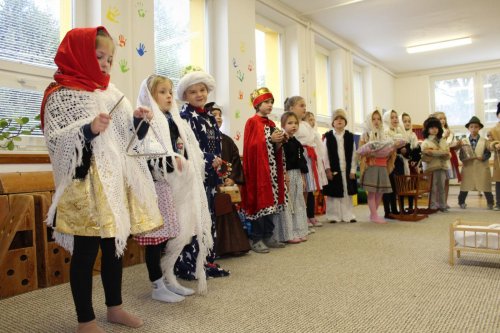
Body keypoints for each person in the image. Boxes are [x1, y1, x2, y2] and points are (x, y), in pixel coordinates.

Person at [41, 27, 163, 332]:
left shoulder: (112, 93)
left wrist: (140, 121)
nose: (106, 63)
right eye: (99, 56)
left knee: (114, 249)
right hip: (84, 186)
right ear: (79, 54)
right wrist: (88, 129)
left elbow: (127, 139)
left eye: (110, 58)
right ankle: (85, 319)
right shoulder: (61, 94)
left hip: (113, 181)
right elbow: (57, 141)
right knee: (85, 253)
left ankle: (115, 307)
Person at [135, 74, 213, 302]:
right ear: (150, 95)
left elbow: (183, 148)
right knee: (155, 239)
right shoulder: (146, 119)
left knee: (173, 234)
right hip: (155, 188)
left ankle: (168, 277)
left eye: (170, 91)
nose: (169, 95)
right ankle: (157, 285)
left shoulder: (173, 120)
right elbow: (146, 153)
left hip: (173, 188)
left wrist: (186, 161)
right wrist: (172, 161)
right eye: (162, 92)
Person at [177, 70, 230, 278]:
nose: (199, 94)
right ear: (186, 95)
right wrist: (209, 159)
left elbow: (216, 145)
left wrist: (218, 167)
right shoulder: (185, 117)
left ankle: (206, 260)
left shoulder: (208, 117)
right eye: (193, 92)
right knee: (194, 220)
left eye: (202, 90)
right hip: (193, 177)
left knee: (208, 218)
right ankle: (189, 264)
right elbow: (188, 148)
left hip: (208, 177)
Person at [241, 87, 287, 253]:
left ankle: (268, 235)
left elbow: (273, 150)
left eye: (271, 102)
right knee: (260, 202)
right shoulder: (251, 122)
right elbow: (251, 147)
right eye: (266, 102)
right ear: (257, 104)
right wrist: (268, 138)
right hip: (258, 171)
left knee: (271, 204)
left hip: (271, 172)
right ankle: (256, 237)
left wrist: (279, 141)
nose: (270, 105)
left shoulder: (271, 123)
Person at [207, 103, 251, 256]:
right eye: (214, 114)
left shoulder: (227, 140)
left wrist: (232, 178)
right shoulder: (202, 139)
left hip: (226, 186)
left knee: (228, 212)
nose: (218, 117)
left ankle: (232, 247)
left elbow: (235, 161)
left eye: (220, 115)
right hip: (209, 186)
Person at [287, 97, 328, 228]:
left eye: (305, 105)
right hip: (300, 157)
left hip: (310, 158)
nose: (304, 108)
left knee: (308, 189)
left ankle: (307, 216)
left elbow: (314, 140)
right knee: (300, 190)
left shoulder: (305, 124)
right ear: (291, 108)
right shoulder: (291, 124)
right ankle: (300, 218)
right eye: (301, 105)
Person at [275, 111, 309, 243]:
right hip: (286, 175)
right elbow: (280, 160)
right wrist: (284, 175)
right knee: (288, 204)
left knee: (298, 202)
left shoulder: (297, 142)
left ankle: (299, 230)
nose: (293, 125)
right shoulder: (282, 141)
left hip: (296, 175)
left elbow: (301, 163)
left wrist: (303, 178)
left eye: (295, 123)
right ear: (283, 125)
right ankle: (288, 233)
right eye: (290, 123)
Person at [357, 110, 395, 224]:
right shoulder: (365, 134)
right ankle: (374, 215)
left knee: (381, 191)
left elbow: (390, 151)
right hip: (371, 165)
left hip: (383, 165)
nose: (376, 121)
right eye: (374, 119)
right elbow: (361, 151)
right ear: (369, 120)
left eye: (378, 119)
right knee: (372, 191)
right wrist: (370, 152)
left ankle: (373, 214)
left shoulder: (385, 134)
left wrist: (389, 150)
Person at [322, 109, 358, 223]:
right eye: (336, 118)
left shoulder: (349, 136)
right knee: (334, 194)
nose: (339, 120)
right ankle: (333, 215)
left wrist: (353, 170)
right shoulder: (328, 137)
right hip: (334, 170)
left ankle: (348, 215)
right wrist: (327, 170)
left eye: (342, 118)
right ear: (333, 122)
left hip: (346, 170)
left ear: (345, 122)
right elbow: (325, 155)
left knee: (347, 194)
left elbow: (354, 154)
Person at [458, 116, 494, 210]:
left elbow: (488, 152)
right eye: (471, 127)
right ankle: (461, 202)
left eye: (476, 127)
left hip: (481, 166)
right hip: (468, 167)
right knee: (465, 185)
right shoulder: (464, 141)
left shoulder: (484, 141)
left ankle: (490, 203)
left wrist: (483, 157)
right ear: (468, 128)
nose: (473, 129)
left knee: (485, 185)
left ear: (479, 128)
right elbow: (461, 154)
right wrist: (464, 159)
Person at [430, 111, 461, 205]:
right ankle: (435, 202)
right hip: (438, 159)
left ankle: (444, 202)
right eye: (440, 119)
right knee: (438, 181)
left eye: (444, 118)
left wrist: (457, 145)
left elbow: (451, 146)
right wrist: (444, 137)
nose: (443, 120)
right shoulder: (433, 131)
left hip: (448, 158)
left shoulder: (449, 131)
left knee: (446, 180)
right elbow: (435, 144)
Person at [421, 117, 451, 212]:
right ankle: (432, 205)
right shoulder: (425, 142)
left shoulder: (442, 140)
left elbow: (447, 154)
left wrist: (437, 152)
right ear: (427, 129)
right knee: (432, 187)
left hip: (442, 166)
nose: (434, 130)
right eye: (432, 128)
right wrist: (440, 152)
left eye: (436, 127)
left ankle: (442, 205)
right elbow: (426, 153)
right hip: (431, 168)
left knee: (442, 187)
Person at [382, 110, 406, 218]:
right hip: (389, 161)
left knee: (397, 186)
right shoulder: (385, 131)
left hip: (399, 161)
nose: (395, 119)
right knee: (389, 186)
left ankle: (396, 209)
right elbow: (384, 147)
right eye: (392, 117)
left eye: (396, 117)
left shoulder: (400, 131)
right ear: (387, 119)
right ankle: (387, 211)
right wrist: (394, 146)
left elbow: (406, 145)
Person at [400, 112, 422, 212]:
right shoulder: (400, 134)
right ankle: (402, 207)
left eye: (409, 121)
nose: (407, 123)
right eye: (405, 121)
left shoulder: (412, 134)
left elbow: (416, 149)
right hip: (402, 162)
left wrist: (415, 160)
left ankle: (412, 205)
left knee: (412, 184)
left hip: (411, 163)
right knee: (403, 185)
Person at [486, 103, 500, 210]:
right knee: (499, 181)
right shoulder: (493, 130)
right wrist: (495, 144)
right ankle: (499, 203)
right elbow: (489, 145)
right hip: (499, 160)